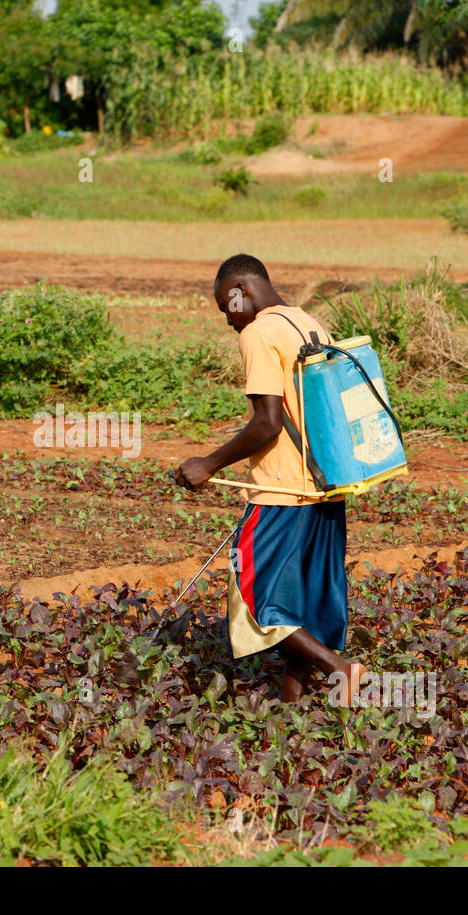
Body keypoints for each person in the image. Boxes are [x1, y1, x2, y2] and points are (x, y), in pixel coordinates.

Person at [174, 254, 364, 704]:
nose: (229, 320)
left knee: (253, 598)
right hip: (325, 486)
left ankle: (341, 669)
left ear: (241, 290)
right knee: (304, 603)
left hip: (281, 491)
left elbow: (267, 423)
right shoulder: (310, 322)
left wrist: (208, 463)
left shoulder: (259, 333)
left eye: (227, 307)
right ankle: (291, 705)